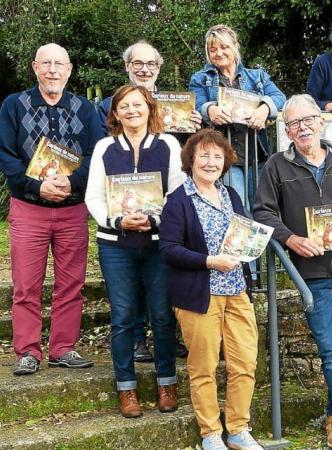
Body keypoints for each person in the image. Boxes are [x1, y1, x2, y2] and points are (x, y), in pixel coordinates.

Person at [253, 94, 332, 450]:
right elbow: (262, 212)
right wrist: (292, 240)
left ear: (321, 122)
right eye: (294, 124)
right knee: (330, 349)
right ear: (287, 131)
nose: (302, 127)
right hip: (312, 272)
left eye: (308, 120)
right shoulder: (276, 166)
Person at [0, 43, 102, 376]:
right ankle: (28, 351)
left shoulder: (85, 108)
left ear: (69, 69)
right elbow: (6, 155)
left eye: (59, 64)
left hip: (73, 209)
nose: (53, 70)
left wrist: (73, 185)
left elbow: (96, 155)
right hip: (28, 207)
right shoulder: (14, 105)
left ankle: (63, 348)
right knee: (26, 284)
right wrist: (37, 186)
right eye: (46, 64)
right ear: (35, 67)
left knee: (71, 283)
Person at [85, 85, 186, 418]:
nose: (131, 111)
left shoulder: (168, 144)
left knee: (161, 315)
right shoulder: (104, 148)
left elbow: (176, 193)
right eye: (124, 106)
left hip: (158, 245)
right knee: (123, 317)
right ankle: (126, 389)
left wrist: (156, 220)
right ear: (115, 113)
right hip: (116, 245)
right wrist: (117, 221)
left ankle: (166, 383)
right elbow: (94, 197)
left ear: (149, 108)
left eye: (138, 105)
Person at [159, 129, 261, 450]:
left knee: (244, 362)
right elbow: (169, 250)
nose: (211, 162)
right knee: (203, 366)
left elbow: (245, 234)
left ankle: (238, 430)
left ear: (226, 161)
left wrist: (253, 247)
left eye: (218, 156)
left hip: (236, 290)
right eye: (203, 155)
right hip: (198, 295)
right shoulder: (178, 201)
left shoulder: (231, 195)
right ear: (190, 160)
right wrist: (209, 261)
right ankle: (211, 433)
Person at [98, 39, 196, 364]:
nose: (144, 69)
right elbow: (108, 152)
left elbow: (180, 160)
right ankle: (138, 340)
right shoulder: (114, 104)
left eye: (150, 64)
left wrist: (192, 126)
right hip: (122, 208)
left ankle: (166, 339)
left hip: (163, 209)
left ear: (158, 68)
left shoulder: (175, 103)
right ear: (127, 67)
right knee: (131, 283)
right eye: (137, 64)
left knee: (164, 279)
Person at [189, 24, 286, 208]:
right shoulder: (200, 78)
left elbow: (280, 97)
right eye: (213, 49)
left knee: (264, 207)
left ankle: (266, 238)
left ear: (235, 46)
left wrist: (264, 109)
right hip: (226, 156)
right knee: (238, 207)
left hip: (258, 156)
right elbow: (197, 103)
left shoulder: (256, 76)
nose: (219, 53)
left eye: (224, 47)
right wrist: (210, 110)